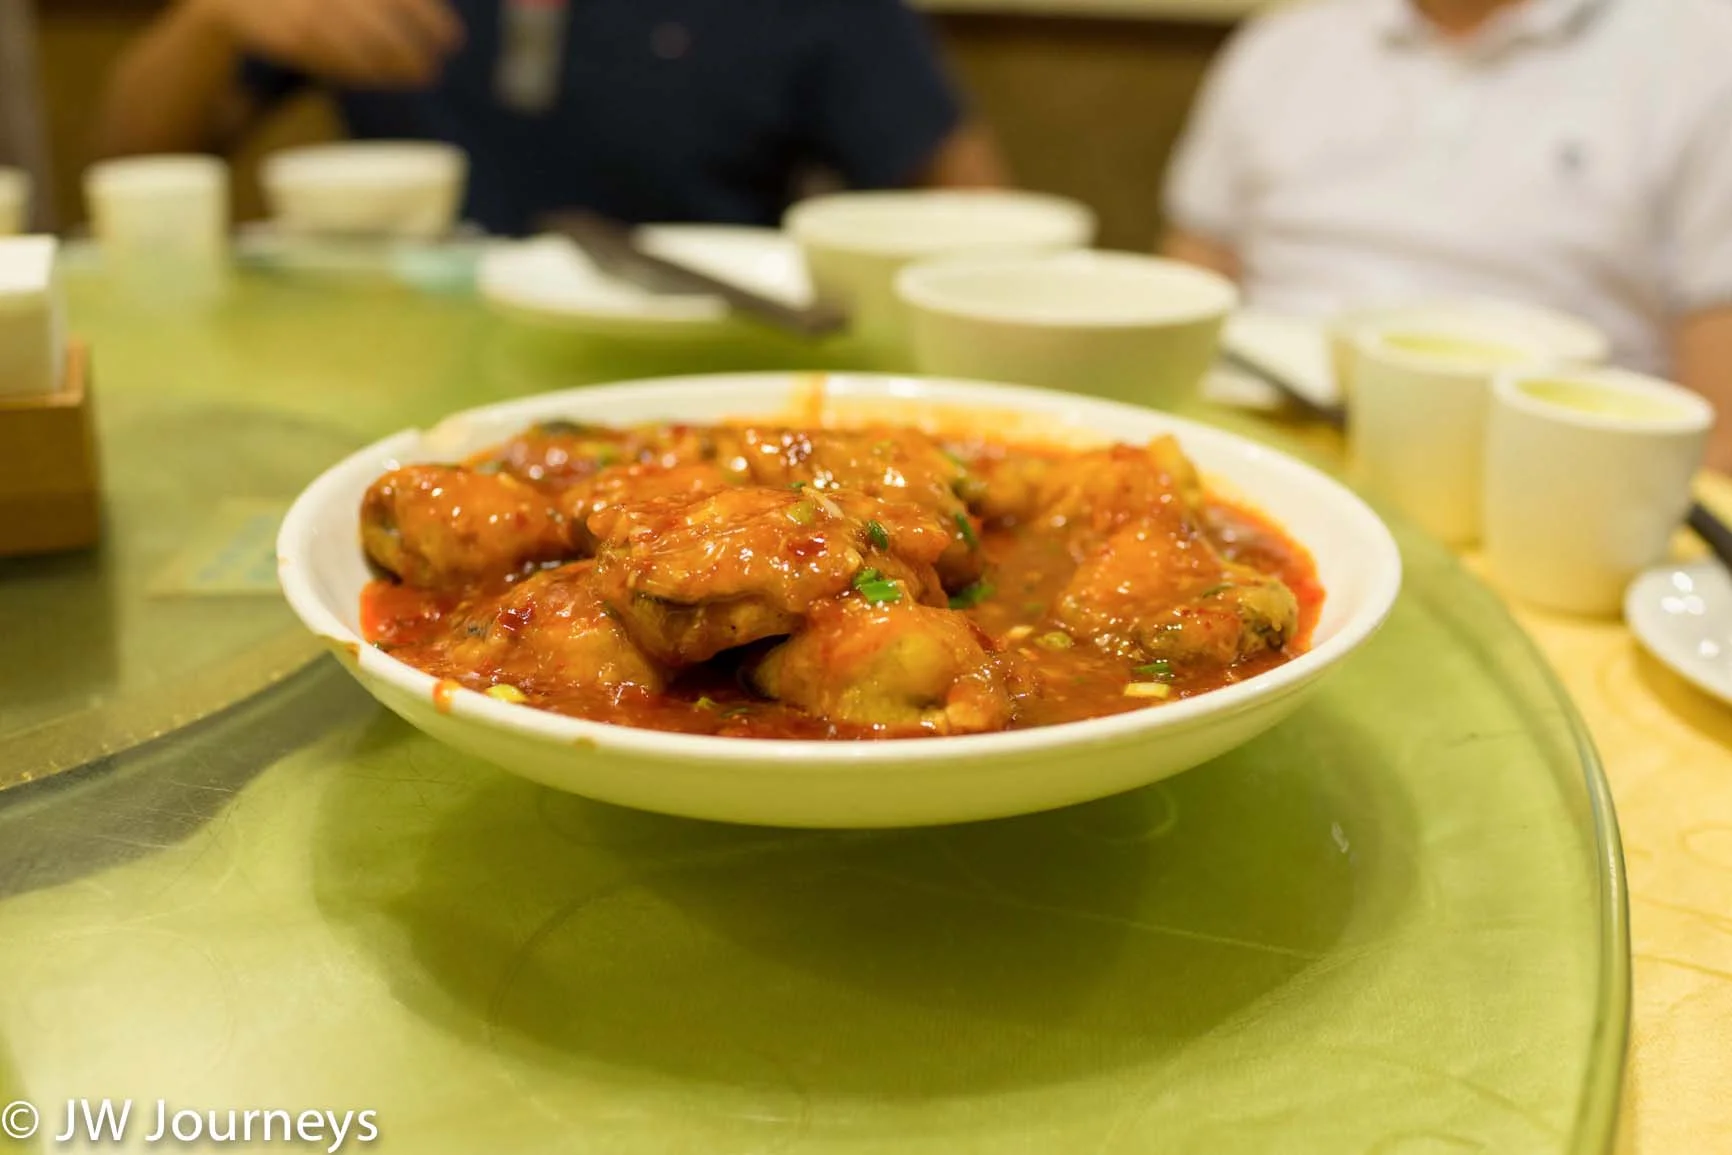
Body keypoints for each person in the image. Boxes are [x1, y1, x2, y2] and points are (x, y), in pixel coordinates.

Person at [1161, 0, 1732, 465]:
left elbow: (1719, 426)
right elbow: (1190, 281)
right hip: (1254, 438)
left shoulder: (1703, 51)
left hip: (1553, 474)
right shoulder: (1282, 44)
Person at [95, 0, 1006, 236]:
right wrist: (212, 18)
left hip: (704, 376)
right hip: (397, 359)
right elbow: (125, 161)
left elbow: (971, 203)